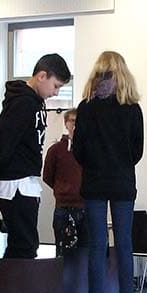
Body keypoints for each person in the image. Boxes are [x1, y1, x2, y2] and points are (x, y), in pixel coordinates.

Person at [72, 51, 143, 293]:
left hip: (94, 182)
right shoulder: (132, 108)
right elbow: (137, 150)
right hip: (123, 182)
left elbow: (78, 150)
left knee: (97, 245)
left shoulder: (86, 107)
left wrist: (94, 163)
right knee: (124, 243)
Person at [0, 53, 72, 259]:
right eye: (55, 86)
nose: (56, 92)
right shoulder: (23, 103)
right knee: (24, 244)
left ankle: (14, 279)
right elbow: (2, 140)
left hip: (23, 179)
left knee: (23, 242)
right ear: (42, 76)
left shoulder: (35, 102)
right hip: (15, 181)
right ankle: (13, 280)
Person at [42, 109, 86, 255]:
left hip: (86, 206)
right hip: (63, 208)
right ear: (66, 123)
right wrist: (63, 189)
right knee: (62, 252)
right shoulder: (55, 150)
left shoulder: (89, 148)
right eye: (72, 121)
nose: (75, 125)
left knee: (86, 252)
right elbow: (47, 176)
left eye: (78, 121)